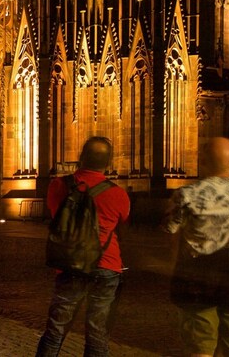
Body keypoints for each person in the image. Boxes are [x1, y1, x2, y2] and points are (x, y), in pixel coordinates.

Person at [163, 137, 229, 357]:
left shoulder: (186, 196)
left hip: (198, 283)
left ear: (202, 161)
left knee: (200, 347)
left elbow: (172, 237)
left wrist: (176, 268)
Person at [36, 136, 130, 357]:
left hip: (70, 264)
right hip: (107, 266)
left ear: (80, 158)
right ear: (108, 163)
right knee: (97, 334)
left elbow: (55, 216)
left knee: (55, 331)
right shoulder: (118, 194)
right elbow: (121, 227)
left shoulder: (58, 186)